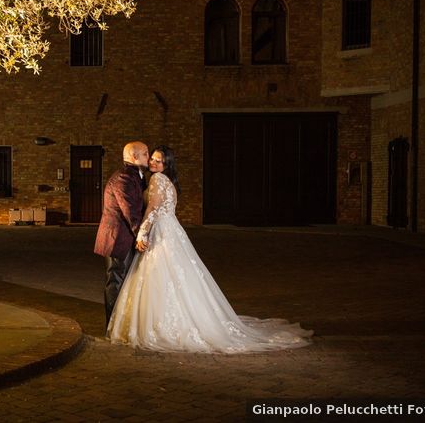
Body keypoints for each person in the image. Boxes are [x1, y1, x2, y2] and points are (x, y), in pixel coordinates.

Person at [108, 145, 313, 353]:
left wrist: (142, 232)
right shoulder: (169, 182)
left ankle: (162, 323)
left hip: (161, 231)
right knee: (177, 277)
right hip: (171, 231)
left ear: (166, 164)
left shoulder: (157, 179)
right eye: (151, 158)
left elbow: (152, 209)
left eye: (158, 160)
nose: (153, 162)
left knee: (160, 275)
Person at [94, 141, 150, 330]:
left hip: (127, 238)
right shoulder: (123, 178)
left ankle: (123, 323)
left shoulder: (138, 177)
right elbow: (130, 211)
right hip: (118, 239)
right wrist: (141, 235)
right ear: (134, 157)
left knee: (126, 281)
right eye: (145, 153)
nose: (148, 157)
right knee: (115, 282)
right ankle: (111, 326)